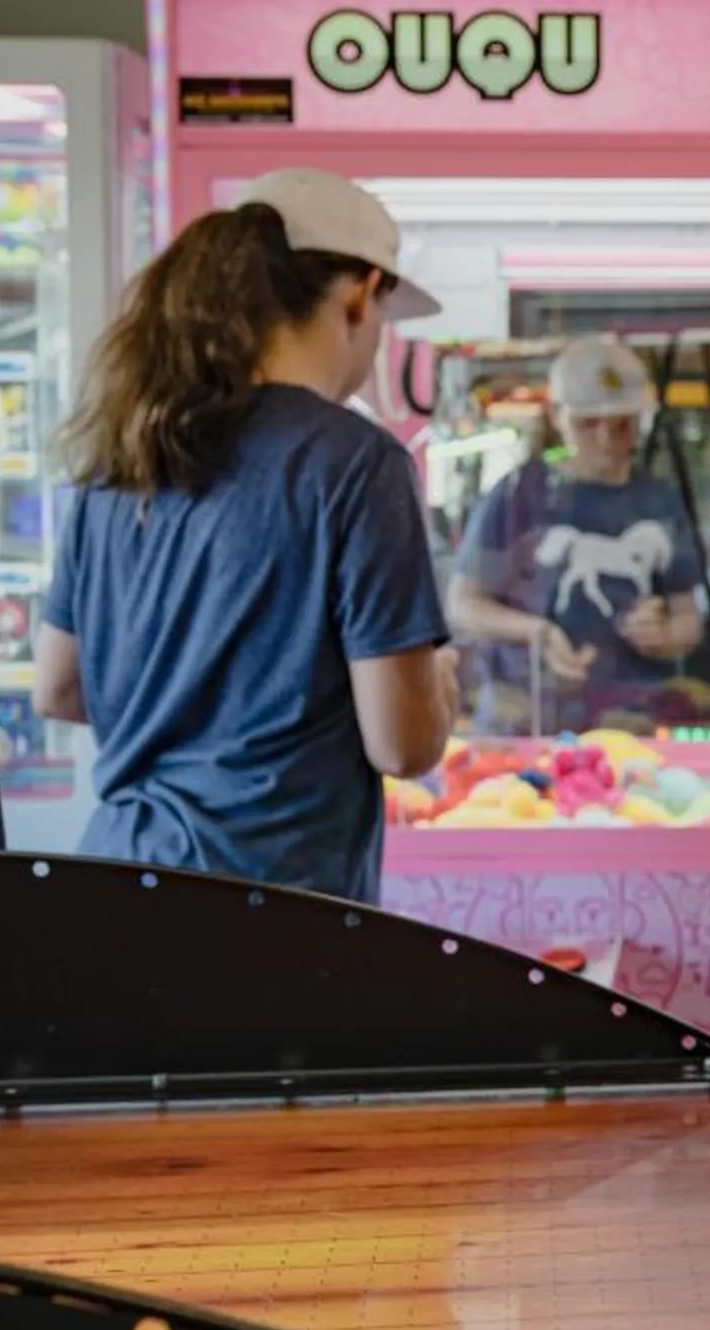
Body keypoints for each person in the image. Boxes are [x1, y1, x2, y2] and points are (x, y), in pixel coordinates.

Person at [35, 168, 458, 905]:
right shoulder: (356, 463)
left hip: (112, 889)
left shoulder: (124, 451)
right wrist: (441, 685)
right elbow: (402, 744)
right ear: (360, 294)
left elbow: (60, 687)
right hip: (273, 917)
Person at [444, 336, 708, 736]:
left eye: (622, 424)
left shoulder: (658, 503)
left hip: (630, 720)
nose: (605, 439)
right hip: (524, 717)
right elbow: (463, 605)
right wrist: (535, 631)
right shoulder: (519, 496)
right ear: (555, 416)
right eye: (588, 424)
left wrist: (667, 634)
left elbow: (688, 614)